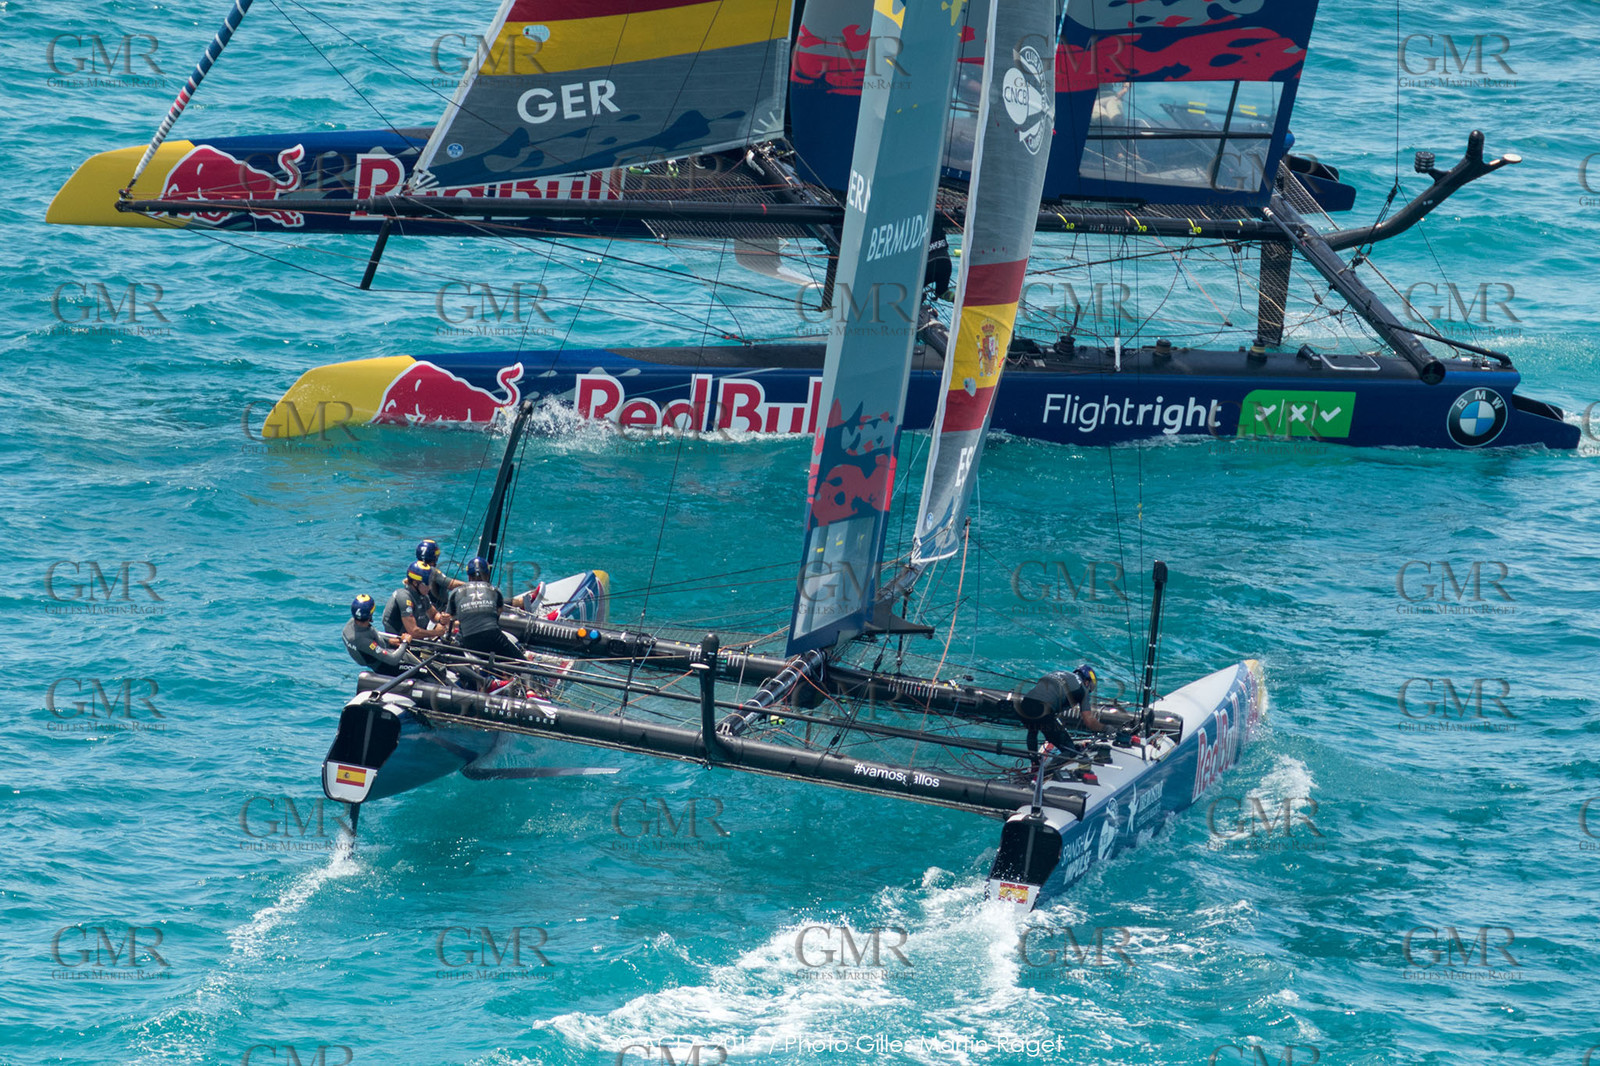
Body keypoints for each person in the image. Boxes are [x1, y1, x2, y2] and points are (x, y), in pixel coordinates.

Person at [448, 556, 540, 659]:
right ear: (487, 575)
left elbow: (448, 620)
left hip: (468, 641)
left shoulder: (455, 593)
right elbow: (497, 616)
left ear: (469, 576)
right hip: (492, 636)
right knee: (520, 662)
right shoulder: (495, 590)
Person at [343, 594, 417, 676]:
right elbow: (393, 660)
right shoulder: (363, 641)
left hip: (380, 652)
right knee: (422, 669)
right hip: (386, 666)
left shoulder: (350, 625)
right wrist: (405, 642)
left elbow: (369, 636)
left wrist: (388, 640)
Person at [384, 561, 453, 642]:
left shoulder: (423, 596)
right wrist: (435, 632)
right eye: (426, 584)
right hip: (399, 643)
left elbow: (433, 614)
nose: (430, 588)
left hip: (417, 641)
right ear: (415, 583)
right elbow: (413, 631)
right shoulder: (404, 597)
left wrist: (441, 618)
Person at [415, 538, 465, 613]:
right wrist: (473, 586)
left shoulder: (415, 569)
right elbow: (452, 584)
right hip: (437, 612)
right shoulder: (432, 571)